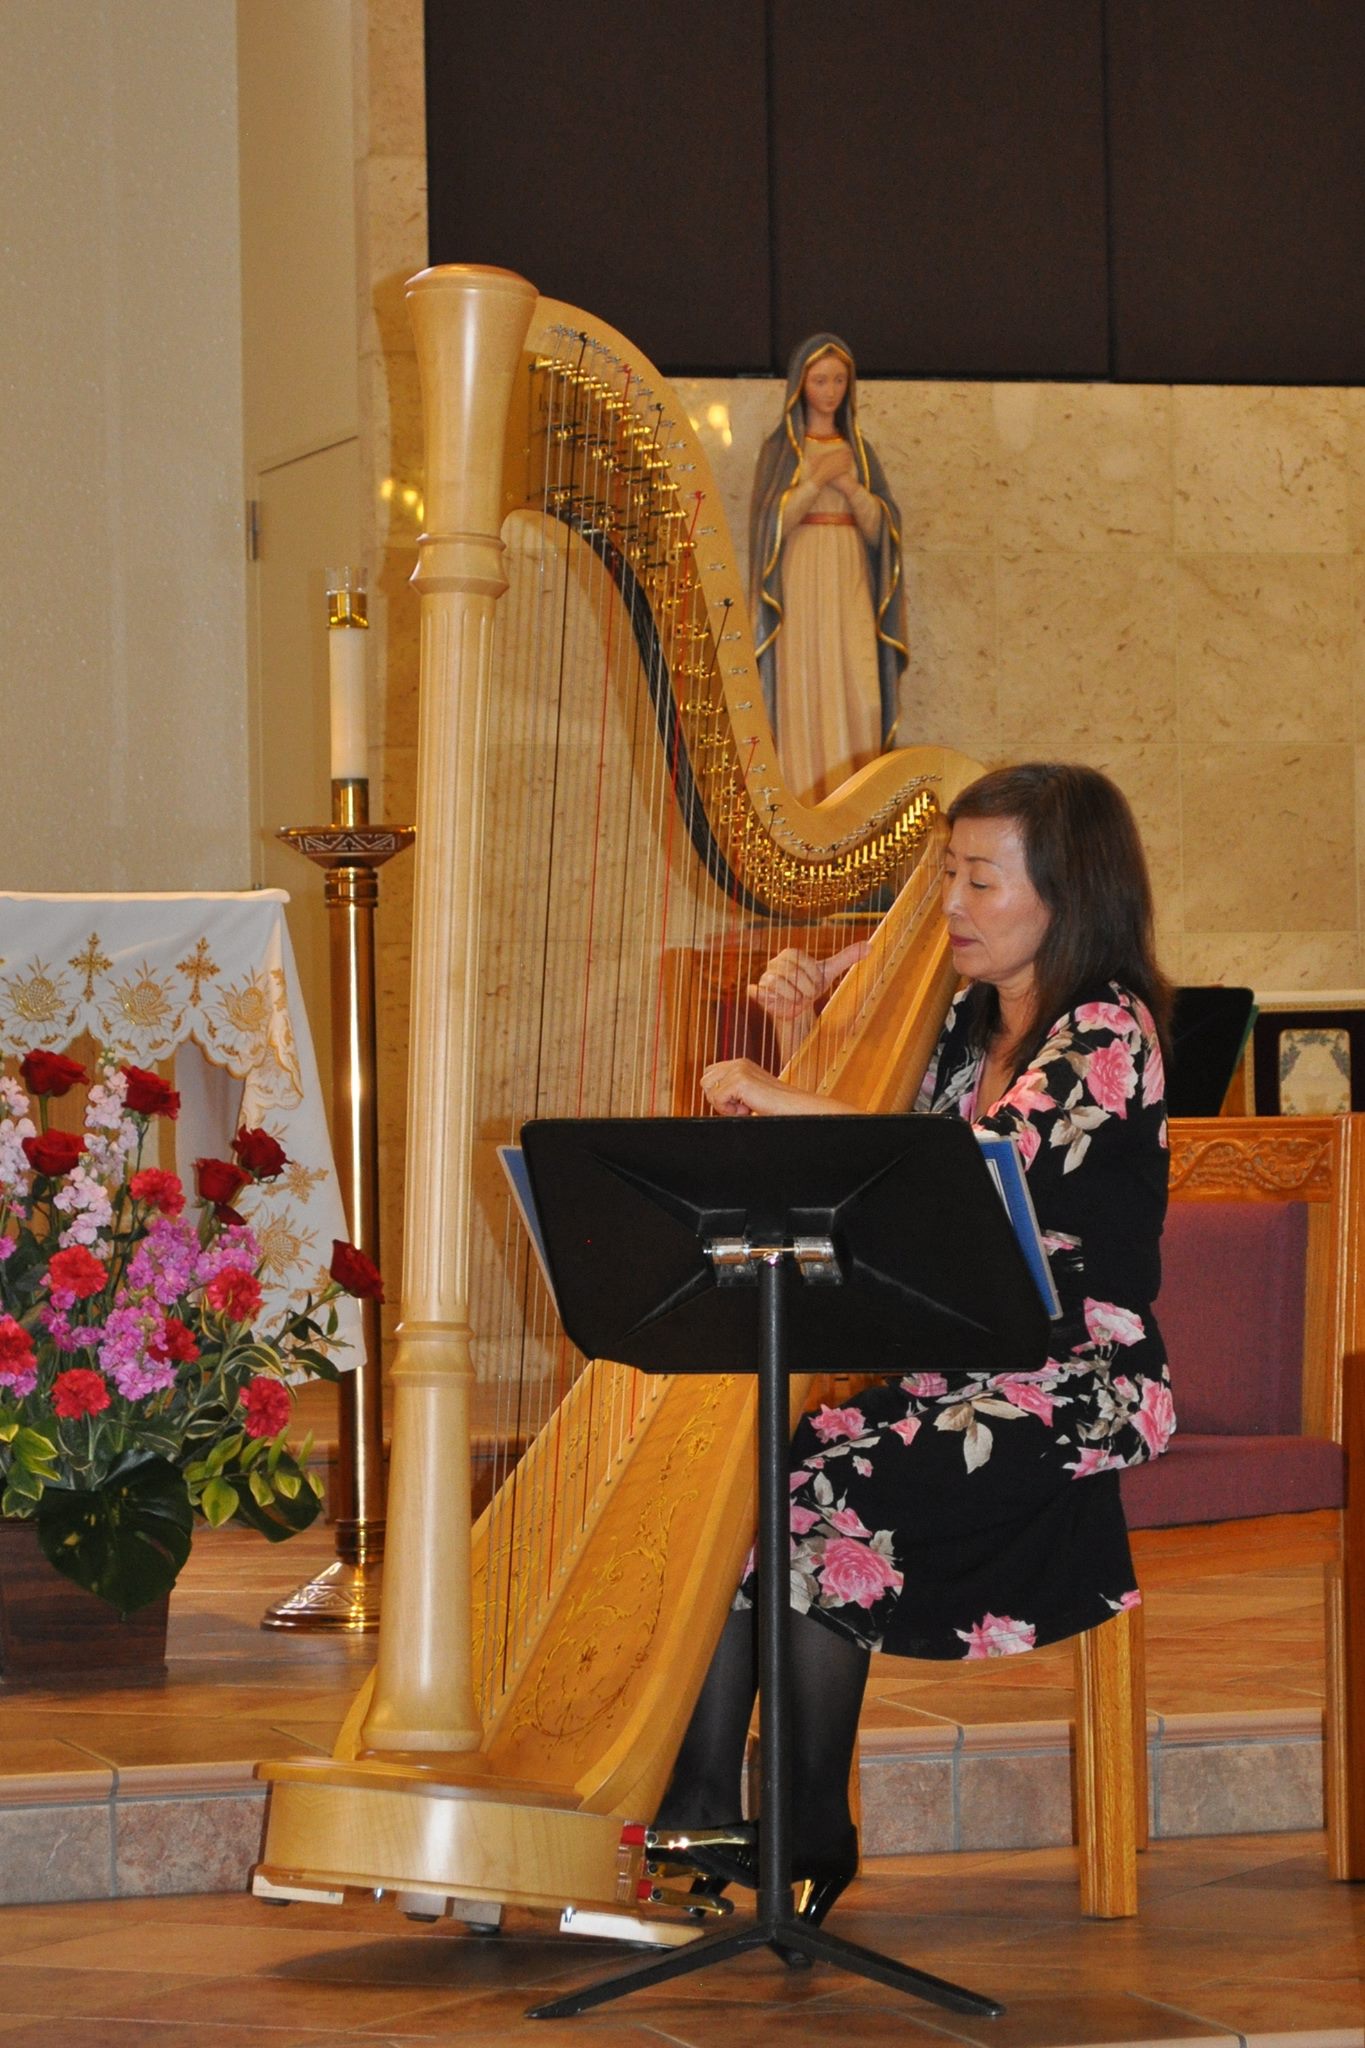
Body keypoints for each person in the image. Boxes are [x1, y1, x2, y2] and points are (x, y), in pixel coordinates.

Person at [656, 762, 1175, 1925]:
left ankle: (808, 1821)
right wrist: (805, 1033)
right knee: (751, 1466)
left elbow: (962, 1174)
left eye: (982, 880)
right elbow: (869, 1186)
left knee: (822, 1477)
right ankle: (697, 1798)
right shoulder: (956, 1017)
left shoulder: (1106, 1029)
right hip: (957, 1362)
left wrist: (777, 1095)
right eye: (947, 874)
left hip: (1081, 1376)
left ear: (1067, 894)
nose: (951, 904)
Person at [750, 335, 908, 805]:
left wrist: (848, 485)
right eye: (820, 379)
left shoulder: (861, 451)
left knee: (862, 690)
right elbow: (767, 527)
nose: (830, 390)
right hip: (800, 577)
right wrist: (815, 480)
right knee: (805, 689)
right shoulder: (780, 451)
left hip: (850, 574)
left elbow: (884, 531)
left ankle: (858, 807)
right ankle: (806, 807)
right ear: (801, 384)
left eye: (839, 379)